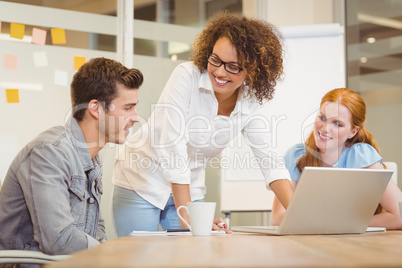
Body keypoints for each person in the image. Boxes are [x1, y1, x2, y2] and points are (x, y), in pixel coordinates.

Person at [112, 11, 294, 236]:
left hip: (189, 185)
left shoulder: (250, 101)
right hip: (141, 180)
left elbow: (270, 161)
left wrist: (301, 217)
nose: (219, 72)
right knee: (138, 257)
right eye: (215, 59)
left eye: (233, 66)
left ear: (253, 70)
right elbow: (172, 146)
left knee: (191, 255)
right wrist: (189, 218)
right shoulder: (186, 76)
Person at [0, 58, 143, 258]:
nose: (136, 117)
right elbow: (58, 240)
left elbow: (96, 230)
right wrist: (110, 253)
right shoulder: (49, 153)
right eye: (128, 108)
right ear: (95, 108)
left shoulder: (91, 158)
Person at [271, 88, 402, 229]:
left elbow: (399, 216)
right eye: (322, 118)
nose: (325, 128)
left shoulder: (361, 156)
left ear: (353, 132)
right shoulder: (297, 156)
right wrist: (332, 224)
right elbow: (277, 218)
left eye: (337, 124)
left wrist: (342, 224)